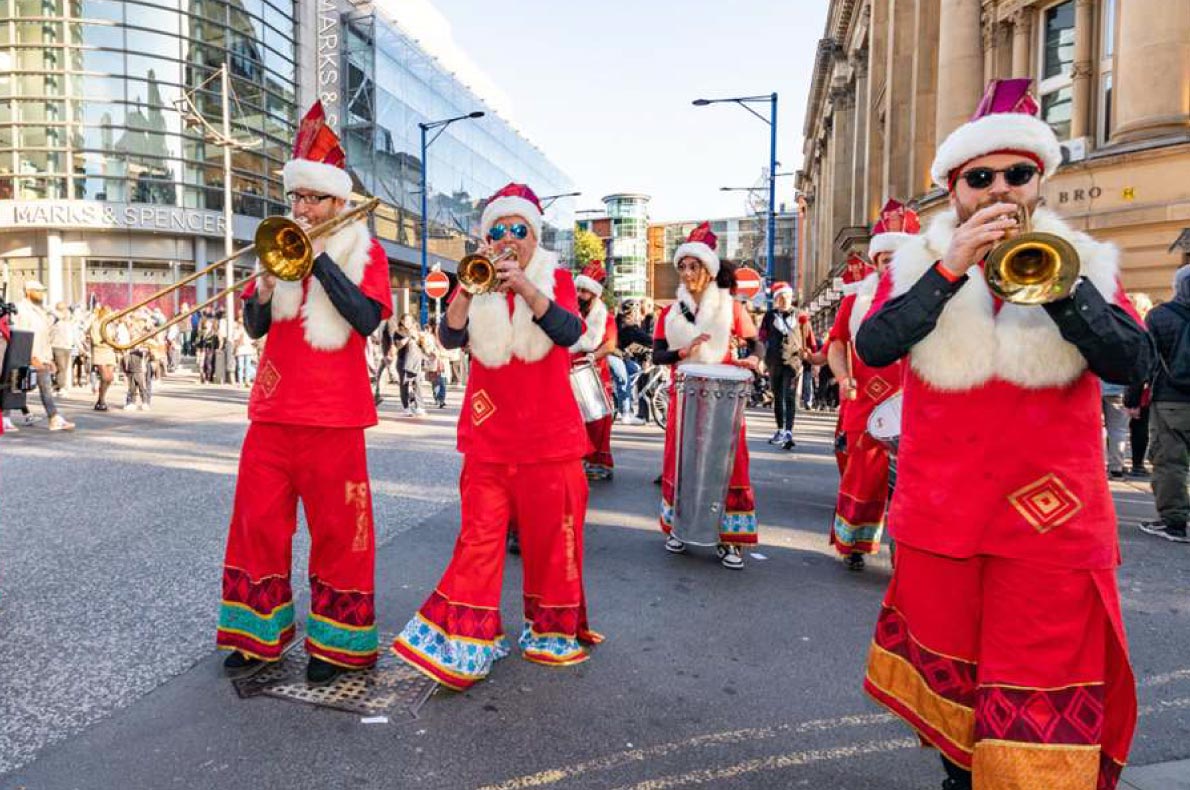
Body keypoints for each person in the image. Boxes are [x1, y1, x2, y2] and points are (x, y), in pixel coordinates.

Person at [855, 79, 1148, 790]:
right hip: (947, 516)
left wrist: (1063, 293)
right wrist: (949, 270)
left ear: (1038, 182)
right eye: (978, 178)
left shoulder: (1081, 261)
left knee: (1041, 696)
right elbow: (874, 345)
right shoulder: (921, 265)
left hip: (1049, 524)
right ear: (954, 189)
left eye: (1016, 175)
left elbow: (1136, 363)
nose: (998, 190)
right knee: (960, 704)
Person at [393, 182, 600, 691]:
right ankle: (467, 640)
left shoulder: (556, 280)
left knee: (554, 539)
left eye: (519, 231)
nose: (508, 240)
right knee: (478, 538)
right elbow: (448, 337)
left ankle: (550, 629)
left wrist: (526, 286)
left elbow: (570, 332)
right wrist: (469, 284)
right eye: (498, 232)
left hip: (550, 437)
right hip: (488, 436)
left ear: (534, 236)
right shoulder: (476, 282)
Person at [216, 101, 393, 687]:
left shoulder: (366, 252)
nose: (301, 208)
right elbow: (255, 328)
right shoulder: (276, 246)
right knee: (256, 525)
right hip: (271, 412)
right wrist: (263, 288)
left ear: (339, 203)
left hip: (335, 418)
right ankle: (255, 637)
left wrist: (317, 262)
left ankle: (336, 646)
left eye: (313, 199)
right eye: (296, 198)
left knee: (341, 535)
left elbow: (366, 318)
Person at [653, 222, 760, 570]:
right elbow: (657, 354)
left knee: (729, 463)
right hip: (684, 395)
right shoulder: (671, 312)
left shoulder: (731, 307)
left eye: (693, 266)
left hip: (724, 397)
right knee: (682, 459)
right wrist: (682, 353)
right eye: (682, 266)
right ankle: (678, 528)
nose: (686, 273)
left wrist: (754, 358)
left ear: (708, 269)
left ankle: (730, 539)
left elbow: (755, 341)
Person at [826, 201, 918, 572]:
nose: (890, 265)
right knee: (863, 475)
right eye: (884, 259)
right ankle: (856, 544)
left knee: (911, 482)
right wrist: (843, 376)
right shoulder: (854, 301)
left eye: (898, 258)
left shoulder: (927, 297)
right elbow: (835, 344)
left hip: (913, 403)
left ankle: (908, 548)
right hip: (862, 402)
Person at [1133, 267, 1190, 543]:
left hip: (1171, 398)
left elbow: (1144, 360)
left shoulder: (1160, 316)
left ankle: (1174, 521)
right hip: (1172, 398)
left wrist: (1133, 398)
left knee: (1170, 462)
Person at [570, 261, 617, 480]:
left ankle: (598, 462)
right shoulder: (571, 314)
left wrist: (591, 357)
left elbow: (609, 345)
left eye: (584, 291)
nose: (579, 294)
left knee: (597, 420)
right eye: (578, 290)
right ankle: (579, 457)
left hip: (594, 371)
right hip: (570, 370)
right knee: (575, 418)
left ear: (594, 293)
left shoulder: (605, 318)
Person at [12, 281, 74, 431]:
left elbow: (44, 336)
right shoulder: (21, 309)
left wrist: (49, 358)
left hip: (41, 357)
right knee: (14, 388)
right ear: (28, 291)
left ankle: (54, 418)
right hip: (26, 356)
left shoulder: (40, 311)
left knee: (43, 388)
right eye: (38, 291)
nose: (41, 294)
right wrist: (31, 356)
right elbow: (21, 334)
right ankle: (5, 417)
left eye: (42, 291)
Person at [758, 281, 809, 449]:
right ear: (776, 299)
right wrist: (760, 358)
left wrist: (812, 361)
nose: (784, 300)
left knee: (790, 396)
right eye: (780, 297)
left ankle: (789, 432)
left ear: (791, 297)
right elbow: (762, 337)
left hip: (794, 362)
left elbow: (809, 339)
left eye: (786, 296)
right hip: (774, 361)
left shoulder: (800, 315)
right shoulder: (769, 316)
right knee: (778, 397)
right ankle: (780, 429)